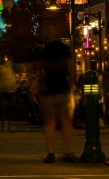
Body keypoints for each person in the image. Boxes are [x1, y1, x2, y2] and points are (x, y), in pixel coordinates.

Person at [38, 26, 77, 164]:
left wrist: (40, 82)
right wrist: (72, 80)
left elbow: (40, 68)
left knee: (50, 121)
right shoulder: (63, 48)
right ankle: (68, 151)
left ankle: (51, 152)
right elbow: (71, 65)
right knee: (66, 121)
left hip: (49, 89)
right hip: (62, 87)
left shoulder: (45, 50)